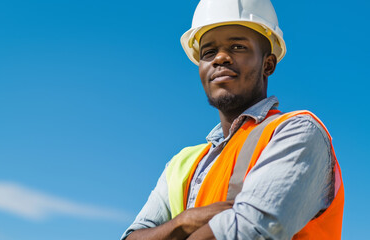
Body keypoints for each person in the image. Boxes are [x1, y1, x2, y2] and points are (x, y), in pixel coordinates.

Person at [121, 0, 344, 239]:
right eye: (208, 52)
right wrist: (183, 223)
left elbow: (248, 231)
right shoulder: (182, 164)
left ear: (267, 64)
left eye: (237, 46)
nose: (221, 58)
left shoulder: (298, 133)